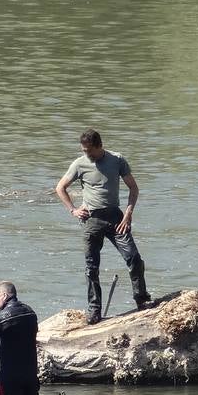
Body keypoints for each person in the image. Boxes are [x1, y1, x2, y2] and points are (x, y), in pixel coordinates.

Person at [54, 128, 151, 324]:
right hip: (92, 219)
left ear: (99, 146)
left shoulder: (117, 160)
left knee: (134, 258)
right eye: (83, 150)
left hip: (116, 217)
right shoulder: (79, 164)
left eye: (89, 150)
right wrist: (73, 210)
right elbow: (60, 187)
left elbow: (133, 187)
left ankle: (141, 299)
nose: (86, 154)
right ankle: (94, 309)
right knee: (91, 267)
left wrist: (128, 213)